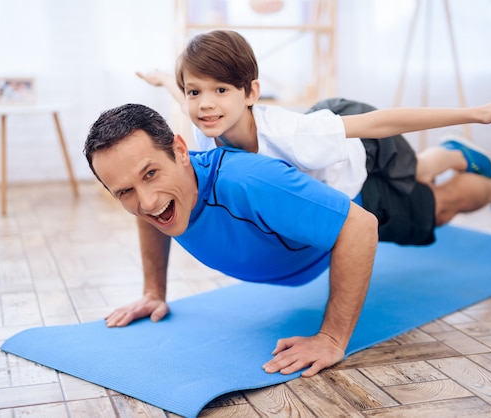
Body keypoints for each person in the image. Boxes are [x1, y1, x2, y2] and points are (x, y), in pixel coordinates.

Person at [136, 29, 491, 243]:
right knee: (416, 175)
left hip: (358, 141)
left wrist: (475, 112)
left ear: (251, 94)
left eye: (220, 90)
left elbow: (382, 123)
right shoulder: (206, 129)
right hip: (330, 147)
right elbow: (184, 96)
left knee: (418, 181)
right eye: (195, 92)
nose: (204, 104)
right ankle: (454, 154)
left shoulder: (292, 132)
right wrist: (163, 81)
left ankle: (473, 164)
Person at [85, 103, 379, 378]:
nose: (147, 201)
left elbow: (360, 227)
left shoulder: (246, 181)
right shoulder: (160, 198)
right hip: (313, 179)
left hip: (370, 166)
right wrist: (153, 292)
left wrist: (331, 339)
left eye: (151, 174)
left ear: (180, 150)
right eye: (125, 192)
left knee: (423, 194)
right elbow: (148, 209)